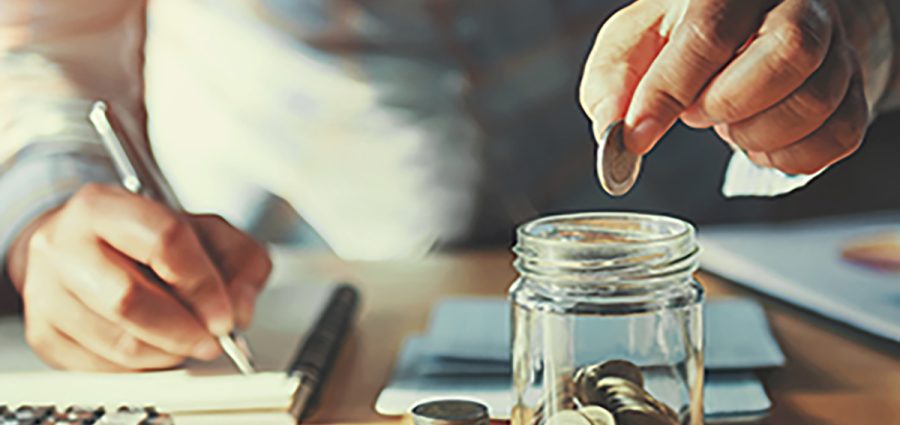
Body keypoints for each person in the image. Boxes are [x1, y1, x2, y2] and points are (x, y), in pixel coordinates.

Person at [0, 0, 896, 372]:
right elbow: (47, 38)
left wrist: (846, 27)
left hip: (727, 243)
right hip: (281, 297)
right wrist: (47, 211)